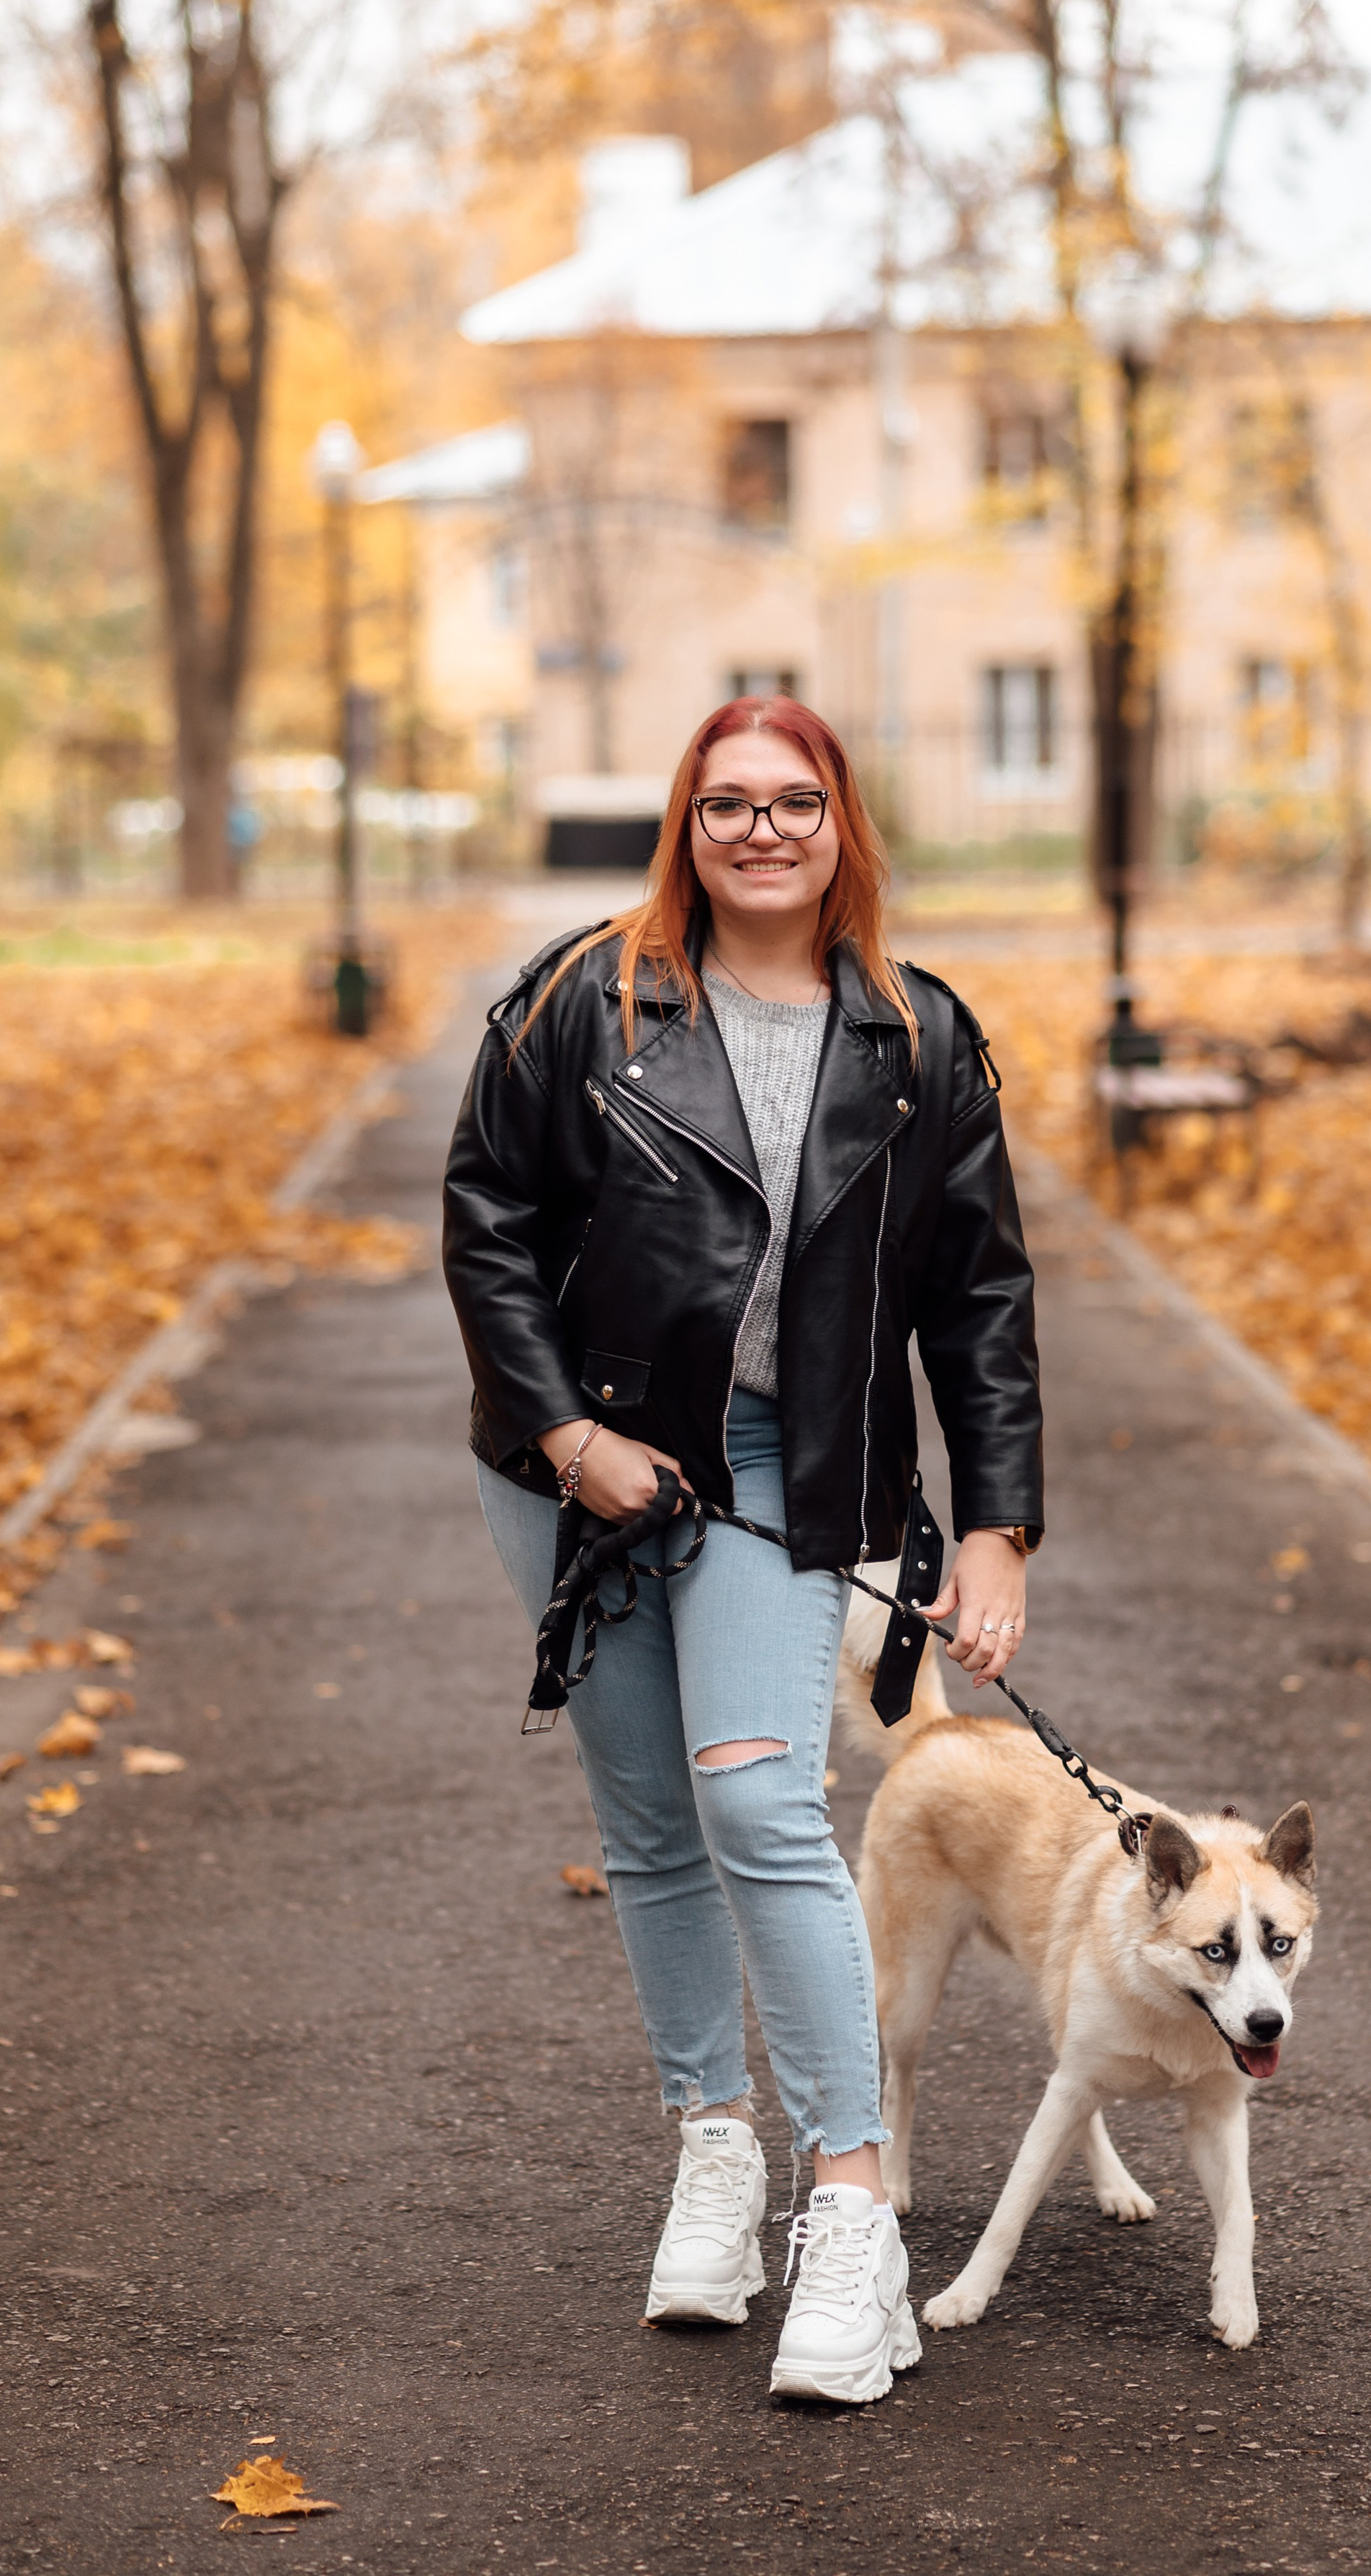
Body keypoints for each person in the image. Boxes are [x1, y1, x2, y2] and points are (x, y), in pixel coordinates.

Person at [442, 693, 1043, 2404]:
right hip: (570, 1452)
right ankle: (714, 2148)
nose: (761, 830)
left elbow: (978, 1298)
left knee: (758, 1795)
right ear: (683, 826)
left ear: (842, 823)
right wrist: (567, 1433)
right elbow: (485, 1217)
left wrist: (990, 1525)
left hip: (790, 1458)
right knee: (646, 1820)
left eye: (794, 803)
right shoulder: (586, 999)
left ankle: (850, 2213)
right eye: (726, 806)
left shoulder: (916, 1041)